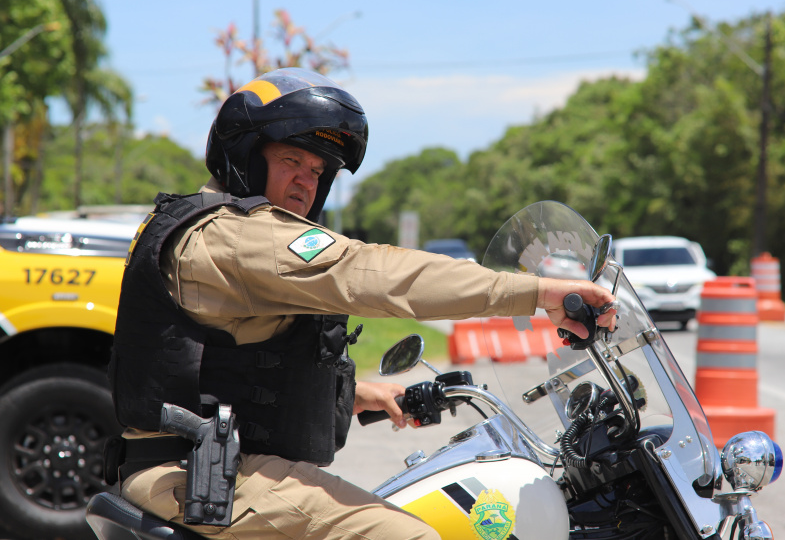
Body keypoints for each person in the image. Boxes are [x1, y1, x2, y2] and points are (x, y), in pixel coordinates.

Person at [107, 67, 617, 540]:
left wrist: (352, 394)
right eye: (290, 161)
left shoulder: (213, 229)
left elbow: (216, 368)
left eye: (318, 170)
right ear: (244, 155)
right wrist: (538, 293)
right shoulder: (236, 238)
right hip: (200, 479)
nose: (306, 181)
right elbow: (376, 276)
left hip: (207, 464)